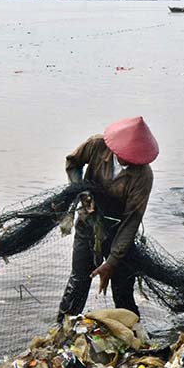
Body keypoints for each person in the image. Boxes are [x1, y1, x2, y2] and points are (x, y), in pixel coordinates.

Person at [58, 116, 158, 321]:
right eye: (123, 156)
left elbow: (131, 221)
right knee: (79, 280)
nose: (126, 161)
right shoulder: (96, 145)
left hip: (118, 231)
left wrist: (112, 261)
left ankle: (133, 331)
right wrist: (82, 192)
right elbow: (72, 163)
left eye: (132, 159)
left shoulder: (143, 175)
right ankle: (63, 326)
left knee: (123, 288)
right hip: (88, 224)